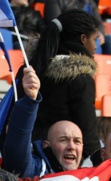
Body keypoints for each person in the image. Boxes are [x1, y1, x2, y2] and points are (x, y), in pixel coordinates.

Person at [18, 9, 100, 160]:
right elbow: (87, 132)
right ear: (83, 39)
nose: (95, 47)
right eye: (94, 40)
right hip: (61, 161)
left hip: (24, 155)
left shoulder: (28, 69)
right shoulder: (80, 77)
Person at [43, 0, 111, 54]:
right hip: (69, 39)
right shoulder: (55, 1)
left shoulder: (90, 2)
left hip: (91, 38)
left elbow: (99, 24)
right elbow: (55, 24)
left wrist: (99, 33)